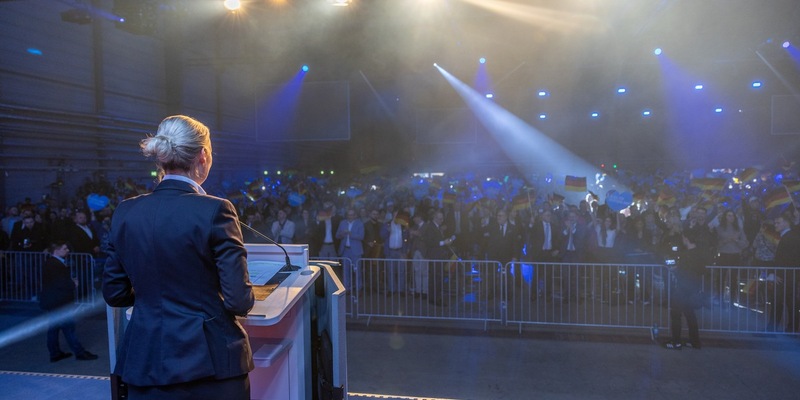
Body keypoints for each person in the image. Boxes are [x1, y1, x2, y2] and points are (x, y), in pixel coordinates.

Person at [103, 115, 255, 400]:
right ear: (204, 156)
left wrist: (157, 294)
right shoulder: (216, 210)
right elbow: (238, 300)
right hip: (211, 364)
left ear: (161, 158)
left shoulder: (126, 211)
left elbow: (115, 293)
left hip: (145, 360)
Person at [40, 241, 99, 362]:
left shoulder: (51, 263)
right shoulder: (55, 265)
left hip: (53, 302)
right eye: (65, 248)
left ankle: (55, 353)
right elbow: (60, 283)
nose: (67, 251)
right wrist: (73, 283)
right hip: (60, 302)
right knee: (68, 328)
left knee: (54, 328)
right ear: (56, 250)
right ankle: (79, 352)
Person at [665, 231, 707, 350]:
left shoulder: (685, 255)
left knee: (676, 314)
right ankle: (695, 341)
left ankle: (676, 341)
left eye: (683, 238)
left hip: (683, 287)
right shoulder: (700, 254)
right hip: (694, 287)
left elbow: (683, 272)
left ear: (686, 239)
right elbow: (703, 271)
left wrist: (674, 270)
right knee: (690, 314)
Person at [337, 208, 365, 292]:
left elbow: (361, 236)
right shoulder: (342, 223)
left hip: (356, 251)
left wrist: (350, 233)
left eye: (352, 215)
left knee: (357, 271)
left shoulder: (360, 224)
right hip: (345, 250)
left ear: (355, 215)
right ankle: (347, 288)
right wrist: (342, 234)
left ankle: (358, 288)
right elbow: (337, 235)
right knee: (345, 271)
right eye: (349, 215)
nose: (350, 216)